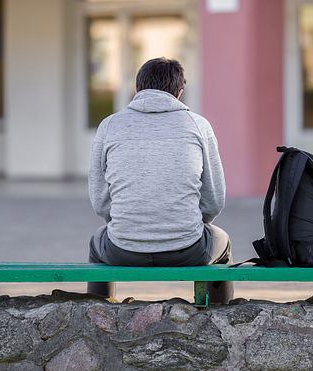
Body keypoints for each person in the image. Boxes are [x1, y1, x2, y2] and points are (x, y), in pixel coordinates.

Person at [87, 57, 233, 303]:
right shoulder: (198, 126)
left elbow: (100, 201)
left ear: (137, 89)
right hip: (188, 249)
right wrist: (190, 224)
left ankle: (100, 316)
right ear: (179, 91)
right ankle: (219, 317)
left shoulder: (109, 126)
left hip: (122, 249)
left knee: (96, 243)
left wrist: (129, 223)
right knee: (223, 243)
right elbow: (214, 201)